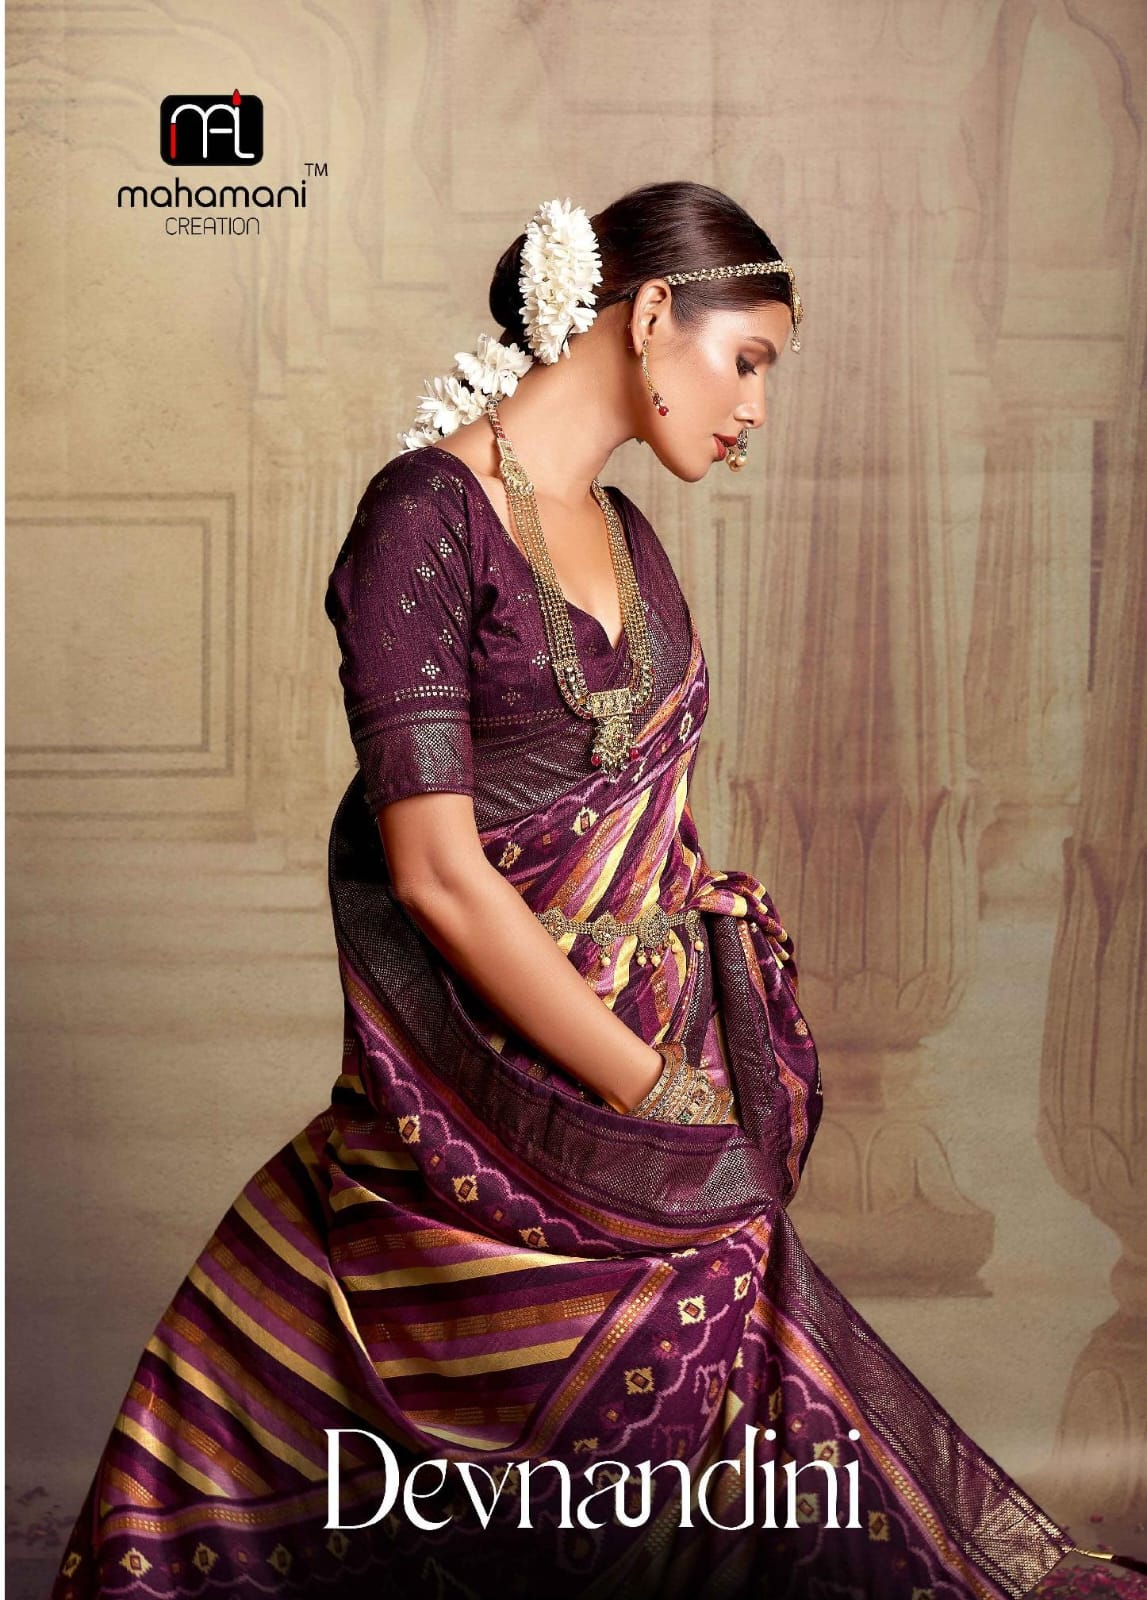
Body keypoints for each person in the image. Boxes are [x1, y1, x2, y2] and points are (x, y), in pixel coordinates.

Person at [48, 181, 1138, 1600]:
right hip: (490, 1103)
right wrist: (643, 1087)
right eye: (747, 361)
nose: (756, 408)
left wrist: (707, 960)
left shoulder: (628, 533)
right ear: (651, 312)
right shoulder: (423, 520)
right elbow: (436, 872)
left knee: (724, 1426)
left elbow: (648, 819)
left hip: (652, 1061)